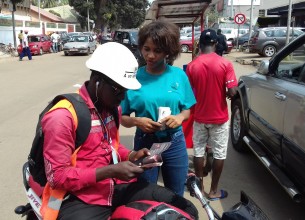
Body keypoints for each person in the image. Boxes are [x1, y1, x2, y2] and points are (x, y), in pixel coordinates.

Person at [40, 42, 198, 220]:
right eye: (119, 90)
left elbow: (110, 147)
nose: (123, 97)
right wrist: (111, 171)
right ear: (97, 80)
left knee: (184, 210)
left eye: (126, 91)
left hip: (116, 187)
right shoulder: (63, 118)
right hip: (81, 197)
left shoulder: (112, 108)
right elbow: (58, 177)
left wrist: (132, 155)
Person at [120, 20, 196, 197]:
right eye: (146, 49)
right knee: (146, 193)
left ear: (168, 52)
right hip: (145, 144)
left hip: (174, 142)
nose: (151, 55)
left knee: (176, 194)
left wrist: (179, 118)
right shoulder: (133, 78)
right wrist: (136, 121)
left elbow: (187, 109)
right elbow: (122, 116)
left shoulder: (178, 75)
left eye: (157, 50)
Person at [186, 29, 238, 201]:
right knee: (219, 154)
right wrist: (227, 92)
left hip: (200, 117)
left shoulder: (193, 65)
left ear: (200, 45)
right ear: (216, 43)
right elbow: (232, 91)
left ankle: (199, 187)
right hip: (220, 118)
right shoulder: (225, 64)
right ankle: (213, 191)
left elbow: (188, 93)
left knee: (199, 151)